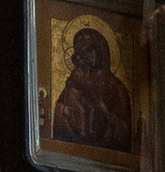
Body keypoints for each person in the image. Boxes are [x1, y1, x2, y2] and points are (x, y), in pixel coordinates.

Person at [48, 23, 134, 154]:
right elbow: (61, 116)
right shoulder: (74, 82)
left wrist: (102, 110)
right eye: (80, 53)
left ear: (101, 51)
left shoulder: (116, 87)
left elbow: (124, 129)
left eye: (89, 50)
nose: (85, 56)